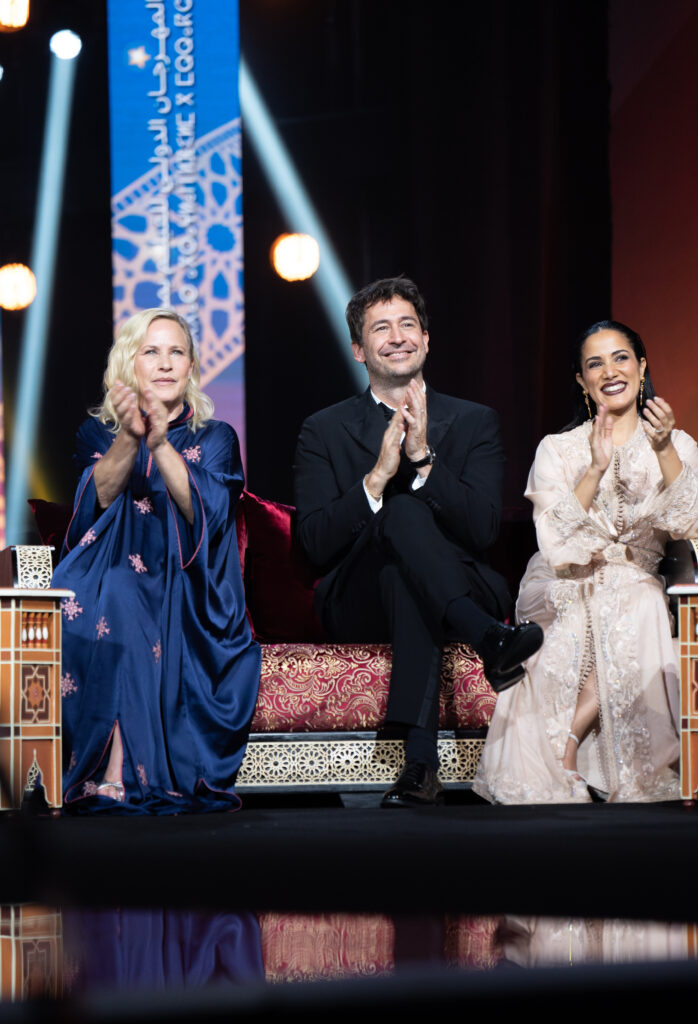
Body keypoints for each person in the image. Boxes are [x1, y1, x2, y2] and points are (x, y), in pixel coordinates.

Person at [293, 276, 543, 808]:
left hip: (461, 586)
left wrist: (425, 457)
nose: (398, 336)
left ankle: (420, 767)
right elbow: (314, 544)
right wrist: (377, 480)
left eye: (408, 324)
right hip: (358, 599)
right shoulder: (324, 429)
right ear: (360, 349)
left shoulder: (474, 421)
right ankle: (491, 641)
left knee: (405, 575)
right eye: (381, 328)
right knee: (397, 521)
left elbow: (482, 530)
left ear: (427, 339)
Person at [474, 320, 698, 804]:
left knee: (636, 594)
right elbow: (555, 539)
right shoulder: (558, 449)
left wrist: (663, 448)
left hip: (636, 584)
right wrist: (597, 469)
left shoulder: (679, 444)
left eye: (621, 357)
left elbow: (694, 524)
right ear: (582, 381)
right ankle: (569, 756)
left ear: (642, 367)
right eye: (595, 363)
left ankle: (567, 746)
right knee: (618, 598)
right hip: (565, 578)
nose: (610, 371)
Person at [53, 308, 260, 813]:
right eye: (151, 351)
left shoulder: (216, 438)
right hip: (106, 567)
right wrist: (131, 434)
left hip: (189, 579)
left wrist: (162, 444)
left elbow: (205, 512)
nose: (165, 363)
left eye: (177, 352)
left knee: (131, 593)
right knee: (113, 590)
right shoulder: (96, 433)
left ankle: (119, 771)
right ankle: (108, 765)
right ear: (130, 363)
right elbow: (98, 496)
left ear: (190, 367)